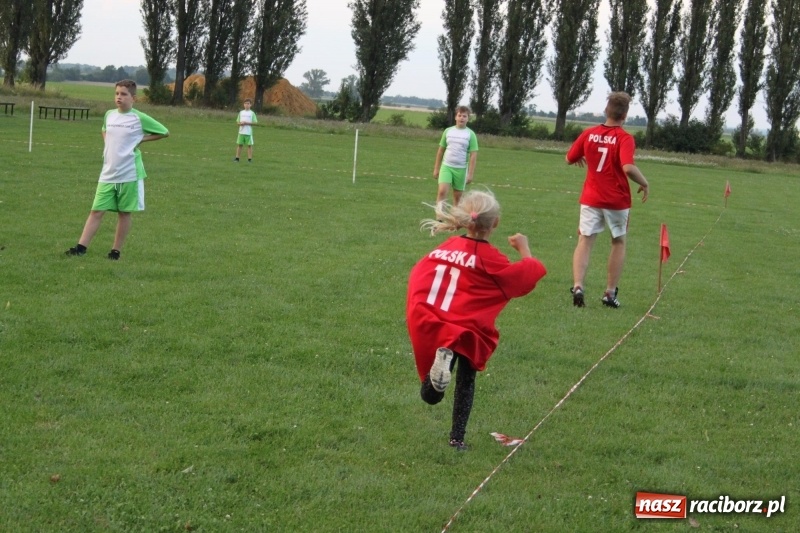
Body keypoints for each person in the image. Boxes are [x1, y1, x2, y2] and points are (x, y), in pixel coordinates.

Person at [406, 190, 547, 451]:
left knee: (431, 396)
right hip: (468, 327)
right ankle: (457, 439)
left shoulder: (446, 246)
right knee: (466, 381)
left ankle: (437, 373)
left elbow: (420, 272)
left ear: (464, 220)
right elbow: (525, 277)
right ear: (495, 223)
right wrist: (525, 250)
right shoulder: (491, 258)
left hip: (433, 319)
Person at [65, 80, 169, 260]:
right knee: (96, 210)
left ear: (133, 98)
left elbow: (164, 132)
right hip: (108, 173)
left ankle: (115, 252)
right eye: (117, 94)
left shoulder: (139, 118)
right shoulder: (109, 115)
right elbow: (104, 130)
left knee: (124, 212)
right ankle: (80, 248)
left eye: (123, 94)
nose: (119, 97)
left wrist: (141, 139)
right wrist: (108, 143)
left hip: (129, 174)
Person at [565, 91, 649, 308]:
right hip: (616, 200)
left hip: (591, 197)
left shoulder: (589, 133)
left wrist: (584, 154)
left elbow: (569, 158)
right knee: (618, 241)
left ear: (606, 110)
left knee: (585, 240)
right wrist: (645, 182)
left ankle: (578, 286)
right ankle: (610, 293)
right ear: (625, 115)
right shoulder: (625, 138)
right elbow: (628, 167)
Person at [433, 106, 478, 205]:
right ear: (455, 117)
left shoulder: (470, 134)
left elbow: (473, 155)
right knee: (442, 191)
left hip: (461, 169)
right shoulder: (448, 131)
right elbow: (440, 150)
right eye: (460, 115)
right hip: (446, 167)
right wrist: (436, 168)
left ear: (468, 118)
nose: (462, 118)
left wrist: (470, 174)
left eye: (464, 116)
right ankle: (439, 218)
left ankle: (455, 219)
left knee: (457, 198)